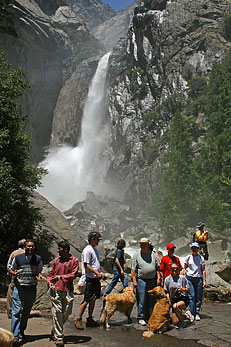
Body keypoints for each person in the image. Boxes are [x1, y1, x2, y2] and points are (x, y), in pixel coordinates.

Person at [9, 239, 43, 345]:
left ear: (34, 247)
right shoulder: (18, 258)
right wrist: (14, 273)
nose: (30, 248)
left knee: (26, 311)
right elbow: (10, 269)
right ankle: (14, 336)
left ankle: (21, 330)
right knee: (16, 311)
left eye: (32, 246)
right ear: (25, 247)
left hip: (31, 288)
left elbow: (39, 271)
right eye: (28, 246)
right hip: (19, 288)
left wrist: (40, 276)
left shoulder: (38, 259)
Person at [47, 240, 79, 347]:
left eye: (59, 249)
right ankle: (59, 337)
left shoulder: (74, 260)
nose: (58, 250)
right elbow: (51, 274)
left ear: (65, 250)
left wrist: (61, 277)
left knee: (67, 312)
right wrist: (50, 282)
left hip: (68, 289)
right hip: (56, 289)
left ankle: (55, 329)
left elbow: (74, 274)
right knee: (57, 312)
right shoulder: (56, 261)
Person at [75, 231, 104, 330]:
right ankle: (78, 319)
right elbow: (86, 265)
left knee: (93, 298)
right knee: (87, 299)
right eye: (97, 240)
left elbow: (95, 263)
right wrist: (96, 272)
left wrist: (99, 272)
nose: (98, 242)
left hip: (95, 278)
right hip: (90, 278)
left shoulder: (94, 250)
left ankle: (90, 318)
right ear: (92, 239)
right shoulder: (87, 250)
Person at [131, 238, 161, 325]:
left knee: (151, 299)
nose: (143, 246)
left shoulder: (153, 254)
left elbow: (157, 267)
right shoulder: (136, 255)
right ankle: (141, 317)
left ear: (148, 245)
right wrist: (134, 281)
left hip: (152, 280)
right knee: (142, 299)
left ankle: (150, 317)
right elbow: (133, 269)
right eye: (141, 244)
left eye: (144, 244)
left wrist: (159, 278)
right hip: (141, 280)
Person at [184, 242, 206, 322]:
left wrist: (204, 280)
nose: (194, 249)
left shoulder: (201, 258)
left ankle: (197, 312)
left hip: (198, 278)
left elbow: (203, 270)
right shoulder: (188, 257)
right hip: (190, 278)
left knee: (199, 296)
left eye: (195, 248)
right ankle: (192, 313)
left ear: (198, 248)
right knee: (192, 296)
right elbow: (185, 268)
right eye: (193, 248)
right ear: (191, 248)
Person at [164, 263, 190, 328]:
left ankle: (183, 322)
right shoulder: (167, 279)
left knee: (175, 306)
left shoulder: (182, 278)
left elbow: (188, 289)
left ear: (178, 269)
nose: (174, 270)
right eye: (173, 268)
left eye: (176, 268)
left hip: (182, 298)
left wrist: (182, 289)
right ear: (170, 269)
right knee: (175, 322)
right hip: (173, 299)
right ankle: (185, 315)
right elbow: (166, 291)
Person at [6, 239, 26, 319]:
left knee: (11, 295)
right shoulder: (27, 254)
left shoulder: (13, 253)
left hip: (14, 276)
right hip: (25, 277)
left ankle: (10, 312)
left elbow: (9, 266)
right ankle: (21, 313)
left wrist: (11, 274)